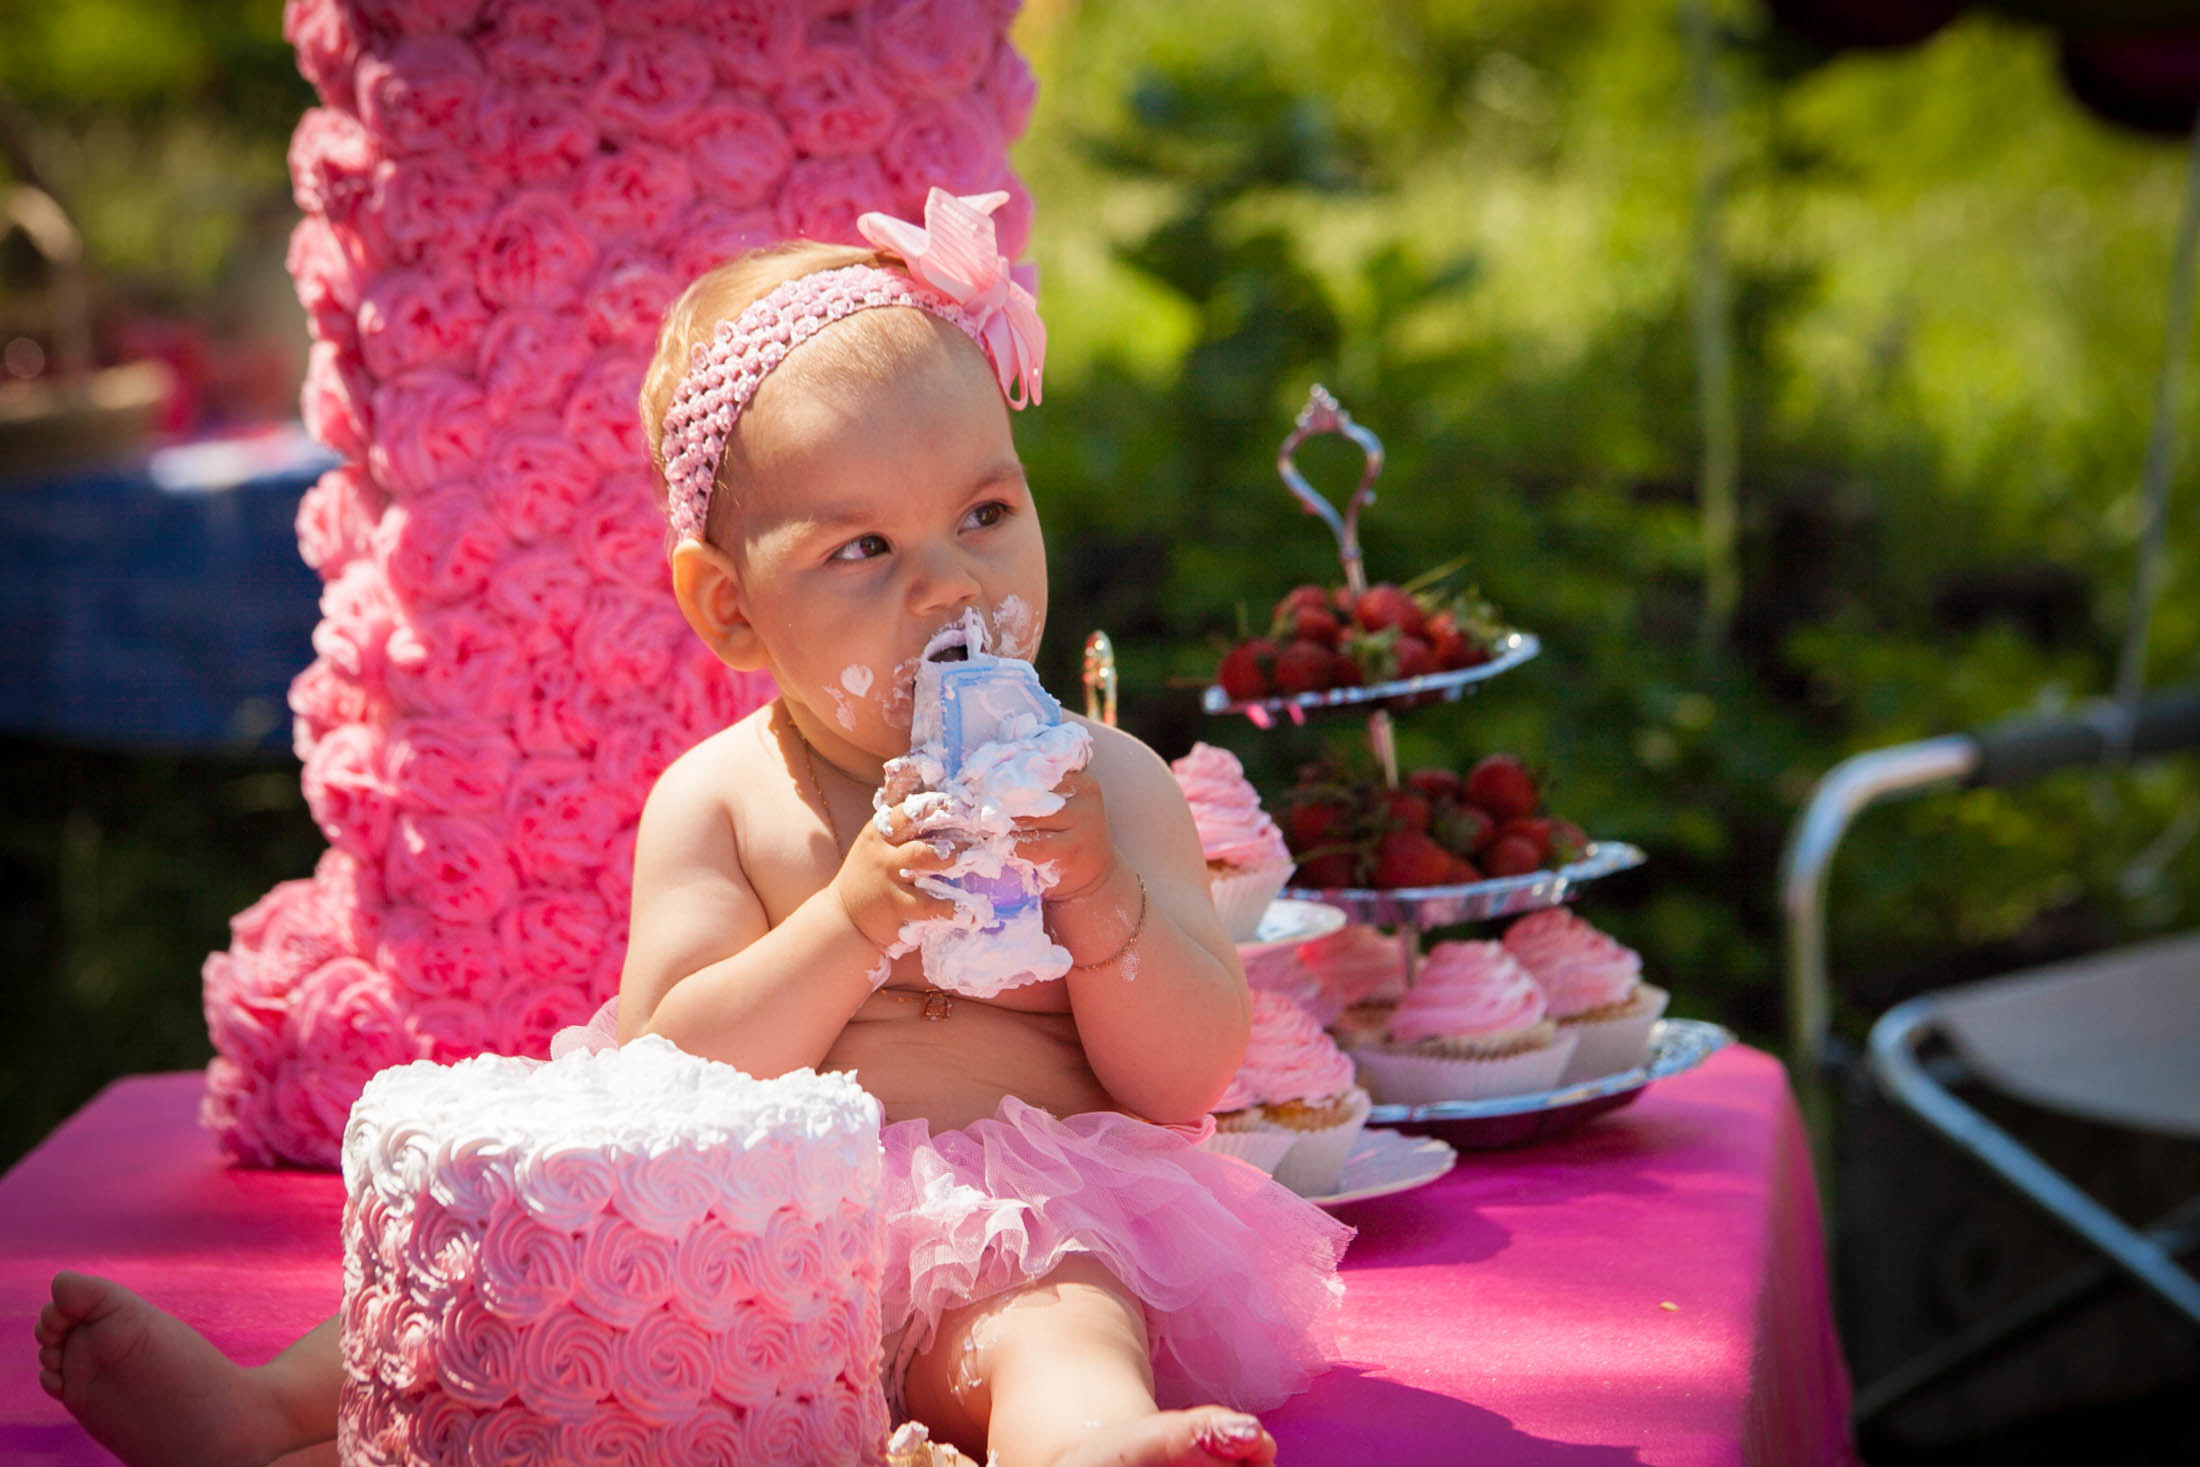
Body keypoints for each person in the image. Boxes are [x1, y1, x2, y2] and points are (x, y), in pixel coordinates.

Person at [35, 187, 1350, 1467]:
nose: (950, 580)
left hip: (1010, 1236)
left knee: (1061, 1320)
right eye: (863, 550)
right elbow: (674, 1068)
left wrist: (1098, 891)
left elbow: (1182, 1075)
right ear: (728, 610)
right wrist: (853, 918)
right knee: (527, 1264)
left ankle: (1082, 1446)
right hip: (728, 1254)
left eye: (986, 514)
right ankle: (263, 1417)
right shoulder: (724, 802)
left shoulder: (1110, 786)